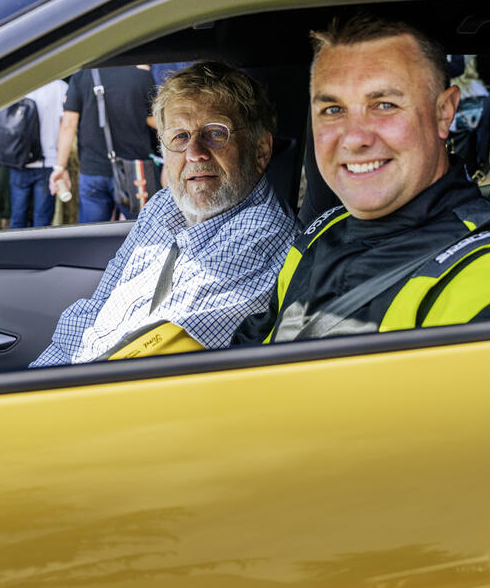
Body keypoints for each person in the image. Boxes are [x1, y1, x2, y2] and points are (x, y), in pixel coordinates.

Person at [236, 14, 490, 345]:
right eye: (333, 110)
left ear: (443, 113)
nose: (354, 138)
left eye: (384, 105)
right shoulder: (322, 230)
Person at [32, 62, 297, 367]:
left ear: (260, 150)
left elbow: (140, 363)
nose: (195, 153)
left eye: (215, 133)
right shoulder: (164, 205)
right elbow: (98, 308)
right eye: (180, 137)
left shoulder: (260, 237)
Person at [50, 66, 157, 222]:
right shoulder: (142, 76)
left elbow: (68, 124)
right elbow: (155, 120)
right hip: (136, 171)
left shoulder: (82, 76)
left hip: (93, 171)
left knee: (92, 237)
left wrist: (60, 167)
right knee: (144, 233)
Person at [8, 79, 68, 228]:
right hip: (48, 163)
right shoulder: (60, 87)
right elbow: (66, 127)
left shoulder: (15, 85)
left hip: (19, 161)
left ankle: (16, 251)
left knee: (17, 219)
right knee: (42, 222)